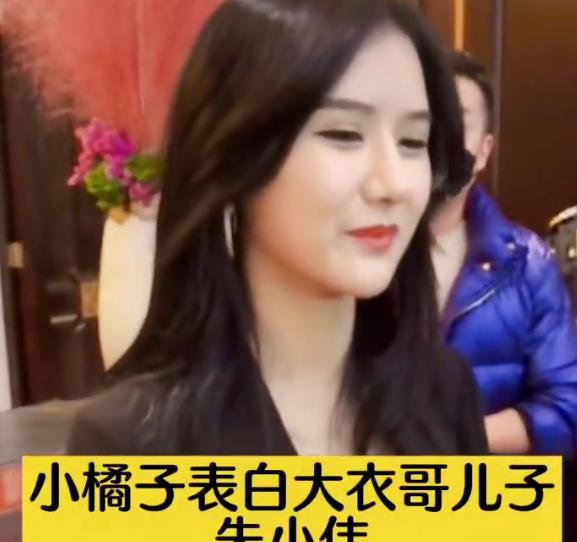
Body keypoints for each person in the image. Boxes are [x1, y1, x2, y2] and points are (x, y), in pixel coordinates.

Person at [67, 0, 486, 456]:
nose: (395, 184)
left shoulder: (445, 393)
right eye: (344, 134)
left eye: (413, 141)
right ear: (234, 155)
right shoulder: (129, 439)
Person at [432, 50, 577, 456]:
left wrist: (452, 439)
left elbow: (567, 408)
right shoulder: (344, 253)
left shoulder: (528, 264)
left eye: (456, 121)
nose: (437, 137)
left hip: (481, 491)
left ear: (483, 150)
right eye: (424, 120)